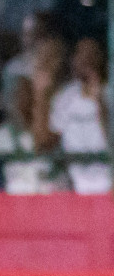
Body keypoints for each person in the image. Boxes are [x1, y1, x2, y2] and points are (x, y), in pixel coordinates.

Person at [32, 36, 112, 195]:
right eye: (80, 54)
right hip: (77, 187)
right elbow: (45, 143)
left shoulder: (109, 92)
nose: (85, 61)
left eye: (91, 55)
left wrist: (100, 103)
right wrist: (42, 95)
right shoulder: (66, 97)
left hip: (109, 184)